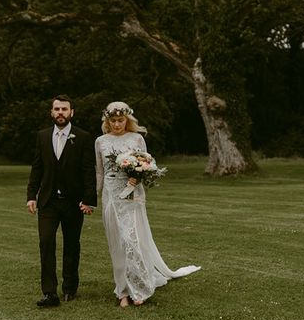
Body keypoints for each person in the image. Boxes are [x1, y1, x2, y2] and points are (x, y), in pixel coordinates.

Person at [95, 101, 200, 307]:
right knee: (117, 243)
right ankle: (123, 291)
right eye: (113, 121)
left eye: (121, 120)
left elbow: (147, 164)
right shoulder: (100, 141)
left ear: (127, 119)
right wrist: (91, 197)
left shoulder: (137, 138)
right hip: (111, 195)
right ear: (108, 121)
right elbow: (100, 171)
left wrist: (137, 176)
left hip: (133, 195)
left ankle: (139, 287)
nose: (117, 124)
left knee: (133, 241)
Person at [27, 95, 97, 307]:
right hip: (48, 201)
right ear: (51, 112)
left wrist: (89, 200)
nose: (60, 113)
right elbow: (37, 167)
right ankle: (49, 293)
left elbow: (88, 171)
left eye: (64, 109)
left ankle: (69, 288)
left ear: (71, 112)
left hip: (73, 202)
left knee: (71, 245)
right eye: (57, 109)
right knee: (46, 243)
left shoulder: (83, 137)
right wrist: (31, 195)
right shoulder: (42, 136)